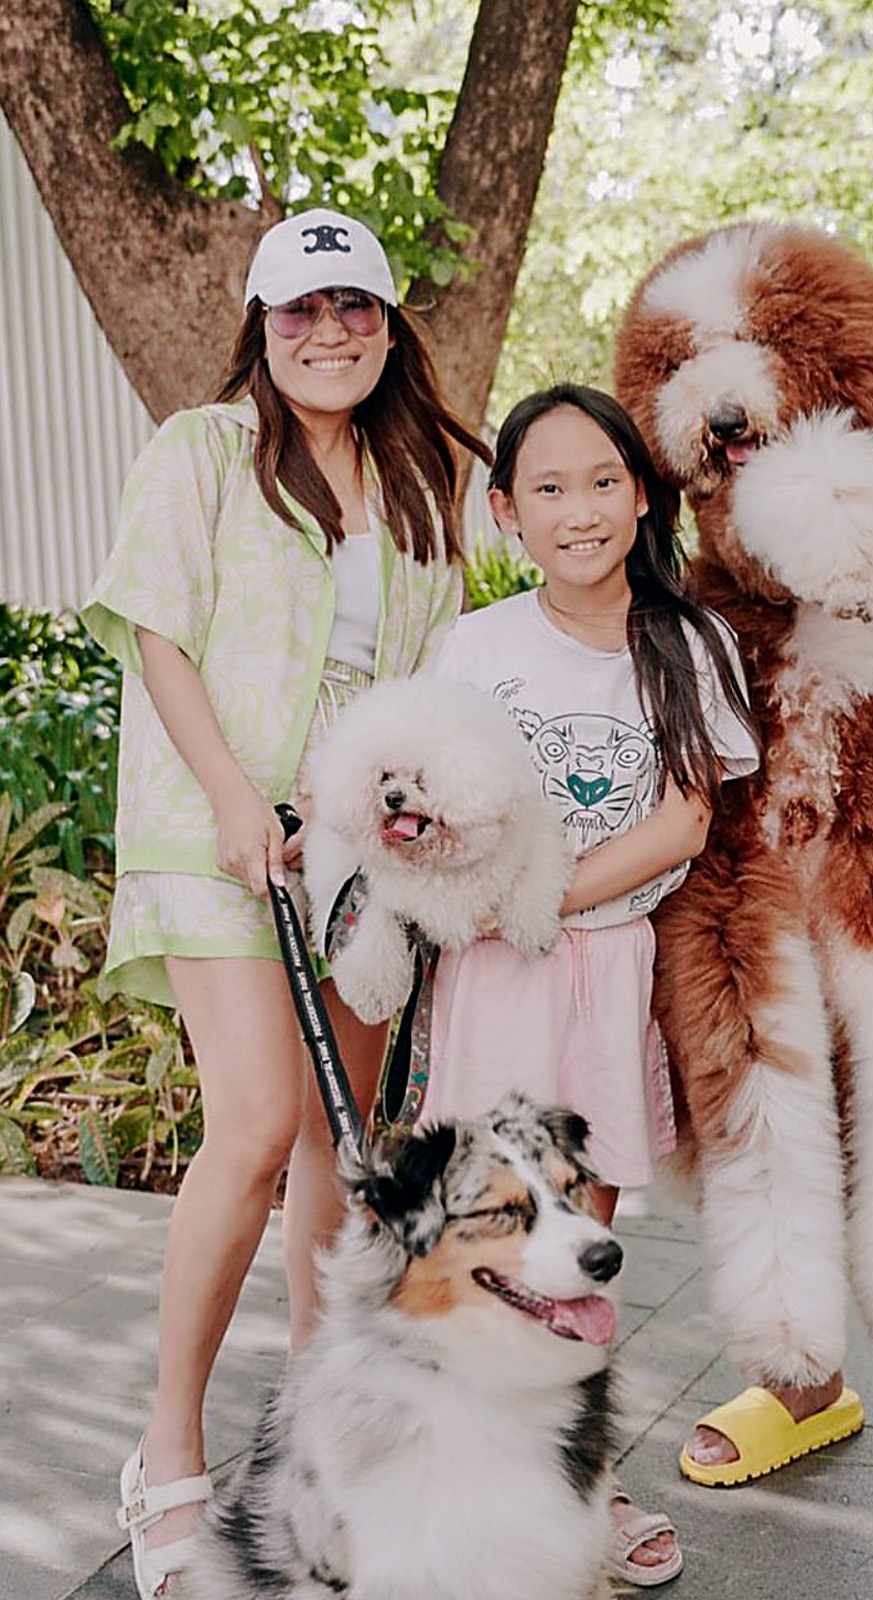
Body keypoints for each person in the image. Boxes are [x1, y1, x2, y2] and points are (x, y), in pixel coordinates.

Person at [82, 207, 489, 1600]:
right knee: (256, 1129)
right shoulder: (200, 450)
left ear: (389, 325)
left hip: (362, 854)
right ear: (262, 326)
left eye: (355, 310)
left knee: (340, 1140)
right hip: (220, 841)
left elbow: (437, 681)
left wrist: (385, 815)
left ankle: (329, 1444)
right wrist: (244, 801)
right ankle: (168, 1448)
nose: (330, 334)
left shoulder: (423, 478)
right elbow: (157, 632)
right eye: (301, 311)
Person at [418, 382, 759, 1584]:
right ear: (506, 510)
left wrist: (540, 894)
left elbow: (680, 823)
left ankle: (585, 1483)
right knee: (481, 1238)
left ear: (641, 493)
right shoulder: (473, 645)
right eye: (547, 488)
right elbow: (432, 810)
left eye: (601, 481)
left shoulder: (686, 641)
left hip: (607, 968)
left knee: (577, 1246)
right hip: (490, 979)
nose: (578, 509)